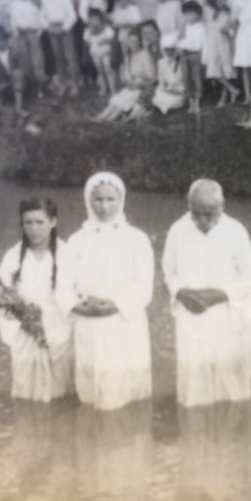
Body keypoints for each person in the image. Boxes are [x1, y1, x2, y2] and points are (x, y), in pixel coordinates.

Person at [162, 179, 251, 406]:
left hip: (227, 316)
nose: (203, 221)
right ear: (188, 205)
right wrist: (180, 293)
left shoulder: (236, 230)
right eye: (196, 214)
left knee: (231, 389)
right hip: (190, 316)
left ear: (222, 207)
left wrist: (219, 295)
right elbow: (169, 271)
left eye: (209, 214)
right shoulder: (177, 230)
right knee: (193, 389)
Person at [68, 172, 154, 410]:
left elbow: (144, 286)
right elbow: (64, 286)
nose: (104, 207)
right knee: (91, 395)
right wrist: (79, 306)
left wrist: (115, 304)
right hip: (88, 321)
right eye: (98, 199)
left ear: (121, 199)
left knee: (124, 396)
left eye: (110, 199)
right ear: (89, 200)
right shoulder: (76, 241)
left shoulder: (137, 239)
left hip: (124, 322)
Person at [0, 197, 77, 402]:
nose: (34, 229)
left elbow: (78, 292)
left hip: (60, 331)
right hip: (26, 332)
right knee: (27, 394)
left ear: (53, 222)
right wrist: (24, 319)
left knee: (62, 393)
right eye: (28, 222)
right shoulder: (13, 255)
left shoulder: (67, 253)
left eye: (40, 222)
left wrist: (54, 323)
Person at [42, 0, 81, 97]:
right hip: (52, 29)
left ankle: (75, 84)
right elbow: (42, 16)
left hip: (65, 29)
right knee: (58, 58)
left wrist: (64, 29)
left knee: (70, 57)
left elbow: (72, 16)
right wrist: (48, 27)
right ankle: (63, 84)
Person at [8, 0, 48, 93]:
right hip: (21, 35)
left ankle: (41, 87)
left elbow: (42, 18)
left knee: (37, 62)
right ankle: (31, 87)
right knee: (25, 62)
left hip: (33, 34)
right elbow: (13, 21)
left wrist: (38, 33)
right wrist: (16, 34)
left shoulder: (34, 3)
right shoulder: (14, 4)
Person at [203, 0, 239, 107]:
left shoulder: (227, 11)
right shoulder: (207, 9)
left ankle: (224, 98)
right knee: (214, 69)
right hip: (211, 41)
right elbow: (209, 25)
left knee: (225, 69)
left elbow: (230, 28)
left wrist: (230, 30)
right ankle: (232, 89)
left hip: (223, 41)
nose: (221, 0)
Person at [178, 0, 206, 114]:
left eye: (191, 14)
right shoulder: (185, 27)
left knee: (196, 78)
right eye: (186, 14)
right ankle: (191, 103)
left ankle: (197, 103)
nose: (189, 16)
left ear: (198, 14)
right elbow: (180, 39)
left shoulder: (201, 27)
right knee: (186, 78)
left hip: (196, 54)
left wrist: (204, 58)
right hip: (185, 54)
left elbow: (203, 44)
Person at [84, 8, 117, 96]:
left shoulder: (106, 29)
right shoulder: (88, 31)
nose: (94, 22)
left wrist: (105, 40)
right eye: (92, 19)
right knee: (100, 70)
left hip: (106, 53)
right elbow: (87, 41)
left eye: (96, 19)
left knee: (107, 68)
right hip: (95, 53)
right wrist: (90, 44)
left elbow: (112, 38)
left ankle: (112, 89)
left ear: (100, 19)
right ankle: (103, 88)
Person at [152, 34, 186, 114]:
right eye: (166, 49)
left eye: (171, 49)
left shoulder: (182, 62)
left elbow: (186, 82)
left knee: (170, 102)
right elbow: (161, 83)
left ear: (175, 49)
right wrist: (166, 90)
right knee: (157, 97)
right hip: (168, 90)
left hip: (179, 91)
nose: (169, 52)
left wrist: (178, 91)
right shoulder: (161, 62)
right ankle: (163, 106)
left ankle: (165, 106)